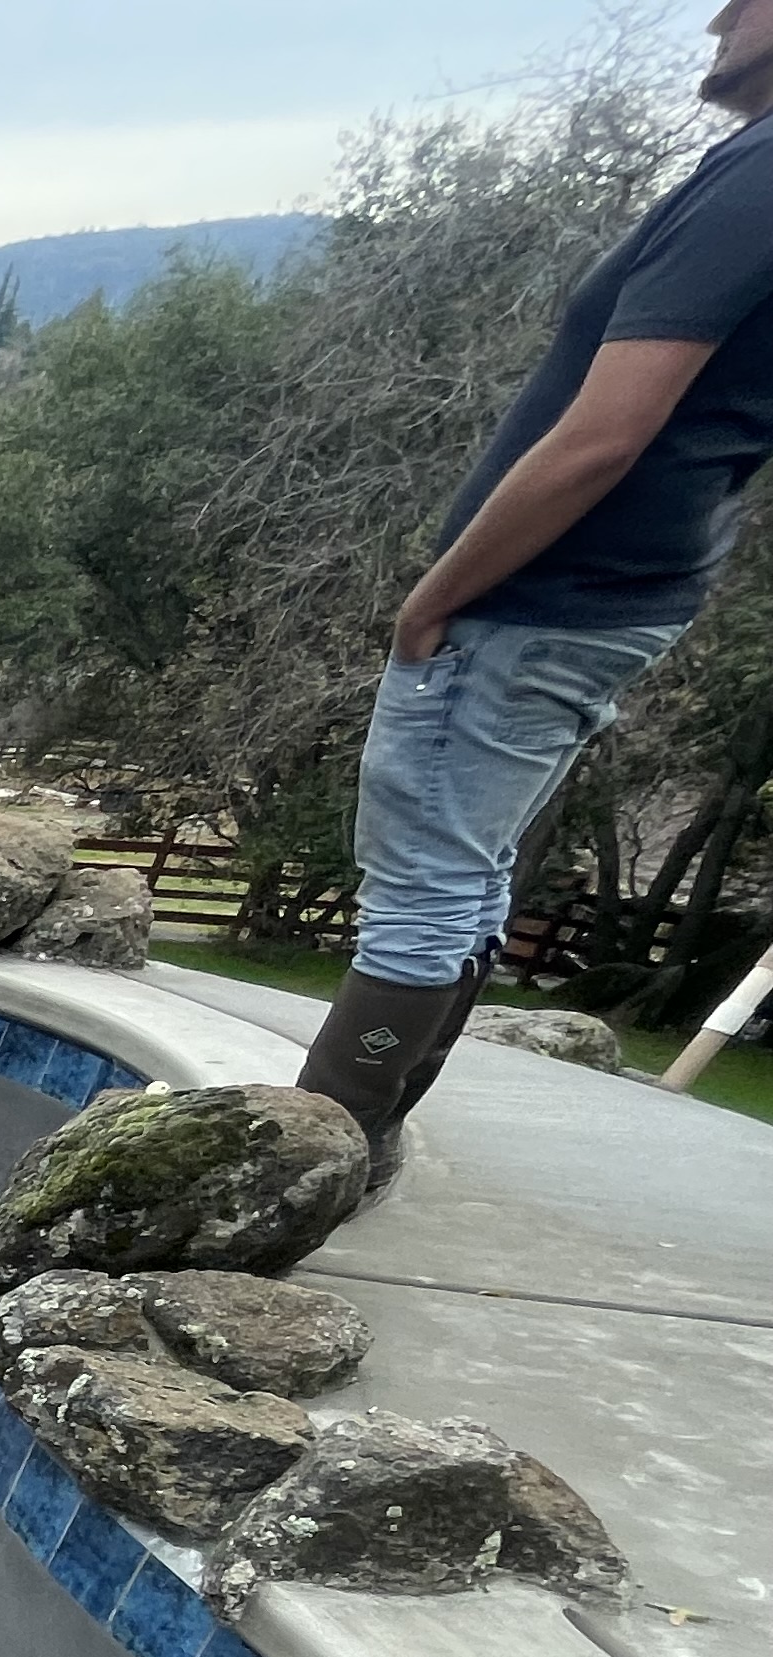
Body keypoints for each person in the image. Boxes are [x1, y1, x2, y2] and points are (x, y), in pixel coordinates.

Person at [306, 0, 773, 1175]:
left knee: (421, 882)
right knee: (464, 877)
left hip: (540, 595)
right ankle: (369, 1140)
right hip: (621, 593)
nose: (718, 14)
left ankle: (303, 1160)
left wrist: (431, 601)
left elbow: (601, 437)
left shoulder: (759, 179)